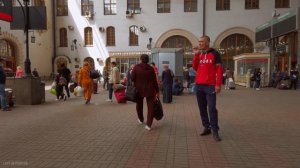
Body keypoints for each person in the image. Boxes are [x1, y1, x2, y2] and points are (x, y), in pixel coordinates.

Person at [192, 35, 223, 142]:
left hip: (210, 86)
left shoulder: (215, 53)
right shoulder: (200, 54)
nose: (199, 43)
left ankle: (215, 130)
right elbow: (195, 68)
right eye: (199, 41)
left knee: (212, 108)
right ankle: (207, 127)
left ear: (207, 42)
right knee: (202, 108)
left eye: (202, 41)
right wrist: (196, 55)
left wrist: (218, 84)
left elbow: (219, 70)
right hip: (199, 85)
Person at [131, 54, 159, 131]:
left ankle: (141, 119)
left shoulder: (136, 67)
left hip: (138, 89)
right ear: (148, 60)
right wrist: (157, 91)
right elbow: (154, 81)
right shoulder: (151, 69)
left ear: (141, 59)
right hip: (150, 90)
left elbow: (132, 78)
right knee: (151, 107)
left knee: (139, 105)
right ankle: (149, 125)